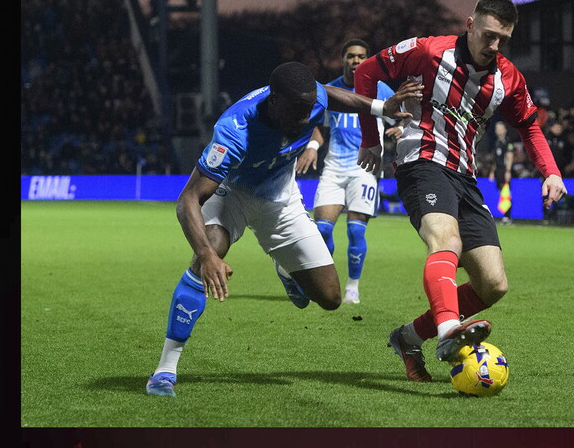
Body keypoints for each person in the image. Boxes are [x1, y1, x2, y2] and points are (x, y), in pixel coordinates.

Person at [145, 62, 419, 396]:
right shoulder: (235, 129)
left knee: (330, 298)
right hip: (232, 193)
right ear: (274, 102)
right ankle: (164, 370)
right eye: (299, 111)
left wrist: (380, 107)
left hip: (282, 201)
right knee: (213, 246)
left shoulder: (308, 99)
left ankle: (287, 271)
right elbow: (188, 199)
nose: (307, 119)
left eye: (310, 109)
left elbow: (330, 95)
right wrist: (205, 255)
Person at [353, 0, 567, 381]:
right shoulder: (427, 51)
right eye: (488, 35)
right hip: (421, 159)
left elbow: (529, 126)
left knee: (493, 284)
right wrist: (371, 138)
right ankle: (448, 330)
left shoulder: (509, 78)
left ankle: (408, 337)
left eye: (503, 38)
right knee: (445, 242)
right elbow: (366, 72)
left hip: (464, 175)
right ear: (470, 25)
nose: (494, 46)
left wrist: (551, 171)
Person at [294, 39, 403, 304]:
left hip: (365, 167)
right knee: (321, 230)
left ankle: (353, 286)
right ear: (343, 59)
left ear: (367, 60)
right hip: (333, 167)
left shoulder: (379, 89)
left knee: (355, 231)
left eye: (361, 56)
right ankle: (326, 281)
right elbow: (320, 125)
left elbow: (403, 115)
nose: (356, 60)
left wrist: (402, 129)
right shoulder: (329, 90)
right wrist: (311, 146)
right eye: (351, 56)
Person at [488, 121, 515, 224]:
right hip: (498, 171)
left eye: (500, 128)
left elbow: (510, 157)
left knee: (506, 193)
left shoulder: (508, 142)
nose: (498, 130)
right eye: (496, 128)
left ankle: (508, 217)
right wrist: (492, 171)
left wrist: (508, 171)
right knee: (501, 193)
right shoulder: (496, 142)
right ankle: (505, 216)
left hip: (505, 171)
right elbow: (495, 159)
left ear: (505, 130)